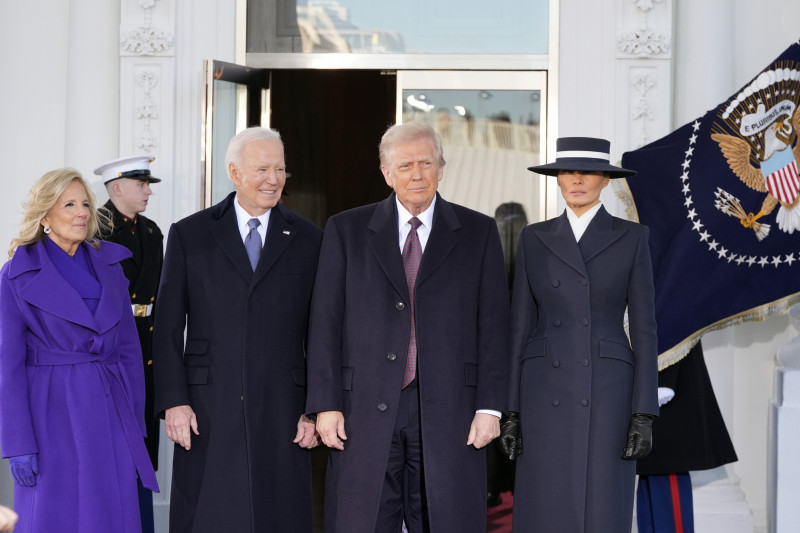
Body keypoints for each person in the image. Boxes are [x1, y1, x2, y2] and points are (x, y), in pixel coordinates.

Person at [306, 122, 510, 532]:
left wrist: (490, 407)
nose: (416, 174)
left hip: (452, 410)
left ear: (441, 167)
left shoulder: (478, 232)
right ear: (386, 173)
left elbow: (494, 325)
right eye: (405, 166)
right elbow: (325, 323)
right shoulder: (345, 230)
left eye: (425, 163)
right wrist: (325, 405)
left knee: (443, 519)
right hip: (361, 408)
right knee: (364, 520)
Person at [153, 126, 322, 532]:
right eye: (262, 169)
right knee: (212, 512)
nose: (273, 179)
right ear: (233, 171)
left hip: (285, 405)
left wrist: (316, 408)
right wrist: (174, 401)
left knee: (277, 511)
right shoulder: (189, 234)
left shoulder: (310, 239)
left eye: (280, 170)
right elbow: (168, 326)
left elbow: (323, 332)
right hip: (207, 405)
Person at [500, 137, 659, 532]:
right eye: (567, 171)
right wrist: (511, 410)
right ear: (556, 179)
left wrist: (644, 412)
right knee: (544, 503)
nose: (576, 179)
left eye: (586, 171)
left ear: (605, 179)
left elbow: (644, 329)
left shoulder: (633, 237)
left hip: (608, 389)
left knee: (602, 504)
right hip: (543, 388)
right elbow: (519, 326)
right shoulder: (534, 238)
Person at [0, 168, 158, 533]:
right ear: (45, 217)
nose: (82, 212)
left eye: (85, 203)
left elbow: (130, 355)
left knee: (110, 513)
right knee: (57, 515)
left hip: (109, 409)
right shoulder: (16, 274)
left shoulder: (111, 268)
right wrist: (18, 442)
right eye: (69, 204)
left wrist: (134, 425)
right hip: (49, 413)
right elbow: (7, 366)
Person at [95, 155, 164, 533]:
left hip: (146, 341)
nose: (149, 191)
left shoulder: (152, 231)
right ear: (117, 187)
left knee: (143, 431)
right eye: (142, 185)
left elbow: (159, 293)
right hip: (114, 341)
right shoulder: (95, 229)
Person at [636, 341, 738, 533]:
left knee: (666, 470)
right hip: (650, 379)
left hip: (666, 381)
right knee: (650, 476)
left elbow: (671, 320)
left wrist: (661, 381)